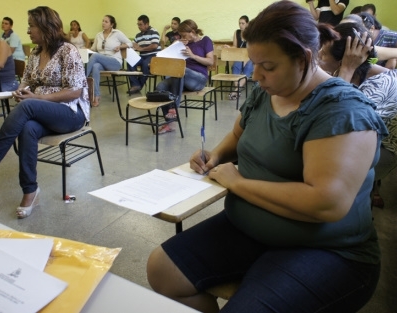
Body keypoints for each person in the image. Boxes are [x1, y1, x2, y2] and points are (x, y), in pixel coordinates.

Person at [146, 2, 385, 313]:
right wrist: (216, 154)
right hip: (249, 229)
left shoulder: (341, 111)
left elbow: (326, 202)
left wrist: (238, 183)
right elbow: (237, 137)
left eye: (268, 66)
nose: (257, 75)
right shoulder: (267, 92)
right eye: (254, 63)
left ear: (305, 59)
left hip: (327, 249)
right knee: (162, 270)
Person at [0, 6, 90, 219]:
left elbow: (75, 91)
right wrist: (21, 91)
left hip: (71, 113)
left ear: (46, 27)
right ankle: (30, 191)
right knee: (27, 128)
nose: (28, 31)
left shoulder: (67, 50)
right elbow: (26, 82)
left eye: (31, 26)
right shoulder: (35, 53)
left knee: (27, 107)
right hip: (41, 111)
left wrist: (37, 98)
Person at [318, 22, 397, 208]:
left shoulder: (377, 85)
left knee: (324, 169)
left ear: (343, 60)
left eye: (323, 54)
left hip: (384, 151)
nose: (318, 56)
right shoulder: (363, 70)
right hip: (363, 142)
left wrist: (345, 70)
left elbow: (332, 121)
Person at [155, 19, 213, 134]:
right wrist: (176, 44)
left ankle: (174, 107)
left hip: (198, 78)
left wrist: (193, 56)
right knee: (160, 86)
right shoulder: (183, 43)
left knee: (181, 69)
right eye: (181, 36)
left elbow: (210, 61)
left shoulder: (205, 40)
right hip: (181, 78)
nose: (183, 37)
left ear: (192, 32)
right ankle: (170, 123)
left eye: (184, 35)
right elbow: (169, 55)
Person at [86, 15, 132, 107]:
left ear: (112, 24)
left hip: (114, 62)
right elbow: (93, 49)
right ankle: (96, 96)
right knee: (95, 66)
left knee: (95, 56)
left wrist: (120, 46)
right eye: (103, 21)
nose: (103, 23)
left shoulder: (117, 33)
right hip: (102, 61)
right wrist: (84, 49)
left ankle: (82, 79)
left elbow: (130, 43)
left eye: (106, 21)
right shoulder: (98, 35)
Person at [127, 15, 161, 94]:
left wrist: (141, 49)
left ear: (147, 24)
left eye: (140, 24)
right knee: (130, 62)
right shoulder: (138, 35)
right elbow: (134, 45)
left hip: (154, 56)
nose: (139, 26)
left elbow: (154, 46)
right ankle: (136, 84)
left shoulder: (154, 32)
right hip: (142, 56)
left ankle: (138, 85)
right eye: (138, 24)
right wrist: (130, 48)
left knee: (146, 64)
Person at [226, 15, 253, 100]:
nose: (241, 25)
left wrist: (245, 60)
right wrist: (229, 48)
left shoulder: (251, 34)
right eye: (239, 23)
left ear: (247, 24)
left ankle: (236, 91)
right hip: (239, 56)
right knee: (235, 66)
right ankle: (238, 90)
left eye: (243, 23)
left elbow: (251, 50)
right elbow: (235, 46)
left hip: (250, 57)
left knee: (248, 67)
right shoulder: (237, 32)